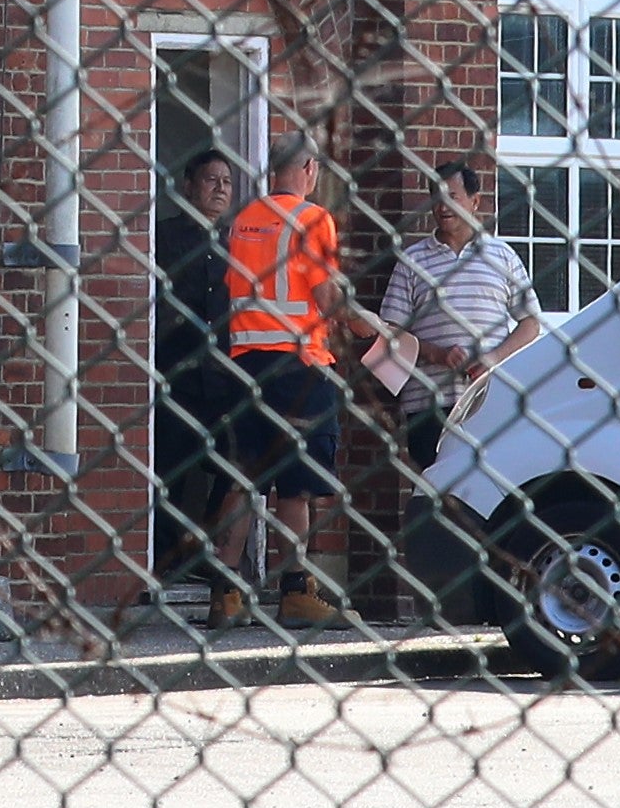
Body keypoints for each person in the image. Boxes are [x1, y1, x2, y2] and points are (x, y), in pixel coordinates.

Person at [225, 127, 365, 625]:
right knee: (296, 487)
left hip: (244, 363)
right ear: (308, 170)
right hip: (299, 366)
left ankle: (228, 594)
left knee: (244, 479)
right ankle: (295, 591)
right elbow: (327, 297)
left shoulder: (244, 221)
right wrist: (373, 326)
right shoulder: (312, 218)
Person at [373, 160, 544, 468]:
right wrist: (436, 354)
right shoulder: (412, 260)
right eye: (436, 197)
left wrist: (493, 358)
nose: (443, 206)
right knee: (432, 488)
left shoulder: (502, 256)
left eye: (453, 196)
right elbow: (389, 332)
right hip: (428, 403)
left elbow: (530, 324)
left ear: (475, 201)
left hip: (490, 400)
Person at [148, 148, 251, 625]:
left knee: (234, 469)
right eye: (210, 180)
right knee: (169, 471)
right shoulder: (165, 237)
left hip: (228, 377)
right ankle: (166, 561)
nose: (220, 188)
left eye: (227, 182)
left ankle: (209, 555)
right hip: (178, 373)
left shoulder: (240, 243)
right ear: (189, 186)